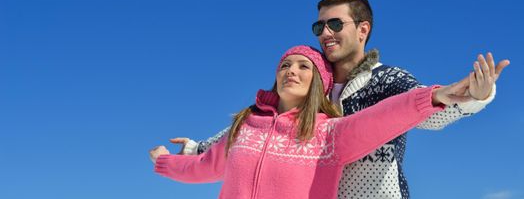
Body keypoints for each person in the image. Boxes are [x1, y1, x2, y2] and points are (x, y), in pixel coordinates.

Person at [172, 0, 511, 199]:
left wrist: (473, 97)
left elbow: (425, 108)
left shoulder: (387, 80)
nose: (325, 33)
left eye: (336, 24)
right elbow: (261, 128)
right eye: (319, 26)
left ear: (363, 29)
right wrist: (195, 148)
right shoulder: (308, 83)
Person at [150, 45, 491, 199]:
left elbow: (385, 117)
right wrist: (165, 162)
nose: (291, 71)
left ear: (319, 83)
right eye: (285, 65)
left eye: (303, 66)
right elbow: (204, 166)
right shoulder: (247, 126)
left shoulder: (329, 134)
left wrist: (436, 96)